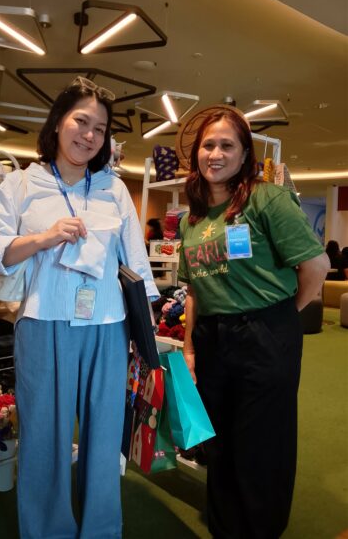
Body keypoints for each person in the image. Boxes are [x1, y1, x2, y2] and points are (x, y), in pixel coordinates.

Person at [0, 76, 158, 539]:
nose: (89, 135)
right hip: (43, 321)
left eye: (100, 128)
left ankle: (100, 529)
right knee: (44, 435)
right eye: (81, 121)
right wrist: (43, 238)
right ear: (57, 122)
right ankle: (47, 529)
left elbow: (136, 263)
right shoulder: (21, 184)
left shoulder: (114, 188)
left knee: (104, 435)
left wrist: (147, 332)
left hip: (108, 325)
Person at [177, 104, 330, 539]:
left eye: (227, 145)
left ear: (245, 154)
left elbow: (316, 266)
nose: (216, 154)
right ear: (197, 153)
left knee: (262, 444)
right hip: (213, 337)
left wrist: (282, 316)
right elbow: (194, 291)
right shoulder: (192, 218)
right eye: (208, 145)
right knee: (219, 442)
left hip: (265, 333)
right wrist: (188, 347)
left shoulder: (267, 199)